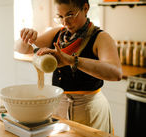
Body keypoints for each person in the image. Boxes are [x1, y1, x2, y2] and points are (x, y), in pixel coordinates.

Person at [15, 0, 122, 134]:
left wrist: (71, 60)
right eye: (60, 16)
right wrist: (25, 37)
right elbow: (22, 49)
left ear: (85, 8)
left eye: (70, 15)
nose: (65, 22)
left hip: (89, 110)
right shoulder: (58, 34)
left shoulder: (101, 38)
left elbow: (116, 73)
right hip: (59, 107)